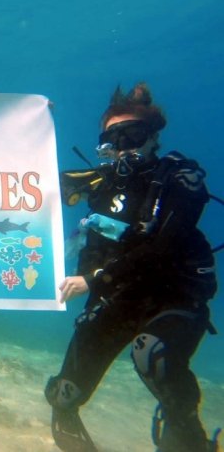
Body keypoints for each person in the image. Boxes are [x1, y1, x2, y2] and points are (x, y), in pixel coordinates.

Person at [45, 83, 219, 452]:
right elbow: (28, 190)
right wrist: (40, 123)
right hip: (118, 295)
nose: (123, 146)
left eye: (133, 135)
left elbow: (163, 246)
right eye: (113, 138)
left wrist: (95, 279)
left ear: (153, 137)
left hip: (173, 294)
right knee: (65, 392)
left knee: (151, 353)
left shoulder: (179, 179)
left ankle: (185, 429)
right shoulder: (101, 185)